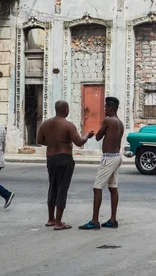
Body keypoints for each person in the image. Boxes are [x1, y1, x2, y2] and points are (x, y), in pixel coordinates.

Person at [37, 100, 95, 230]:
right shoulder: (68, 125)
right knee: (62, 189)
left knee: (52, 187)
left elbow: (39, 140)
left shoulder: (45, 124)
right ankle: (58, 222)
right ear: (66, 110)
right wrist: (87, 135)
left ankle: (51, 219)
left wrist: (53, 143)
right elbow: (79, 142)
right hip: (64, 158)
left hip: (51, 158)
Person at [79, 97, 124, 230]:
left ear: (111, 108)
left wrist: (90, 134)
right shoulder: (119, 122)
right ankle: (113, 219)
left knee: (97, 187)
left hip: (109, 158)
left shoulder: (109, 120)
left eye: (105, 107)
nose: (104, 109)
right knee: (112, 187)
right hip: (116, 156)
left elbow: (98, 136)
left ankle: (94, 221)